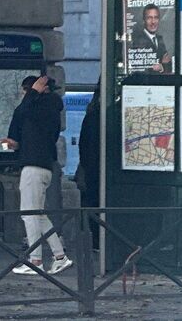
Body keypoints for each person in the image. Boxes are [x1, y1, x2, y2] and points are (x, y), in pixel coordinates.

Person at [1, 75, 72, 275]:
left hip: (34, 166)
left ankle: (35, 261)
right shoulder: (47, 109)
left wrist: (32, 93)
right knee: (38, 215)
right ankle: (60, 256)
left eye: (26, 92)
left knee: (29, 214)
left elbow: (20, 111)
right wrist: (16, 145)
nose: (24, 96)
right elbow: (33, 133)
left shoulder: (42, 107)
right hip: (41, 165)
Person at [74, 89, 100, 250]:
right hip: (94, 168)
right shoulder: (94, 117)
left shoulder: (90, 116)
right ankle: (97, 240)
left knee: (92, 204)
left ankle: (96, 240)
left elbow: (83, 145)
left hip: (91, 168)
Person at [129, 3, 172, 73]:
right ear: (144, 20)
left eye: (156, 17)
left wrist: (161, 67)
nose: (153, 22)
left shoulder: (160, 39)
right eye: (149, 18)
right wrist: (161, 66)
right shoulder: (137, 41)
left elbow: (169, 64)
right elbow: (139, 69)